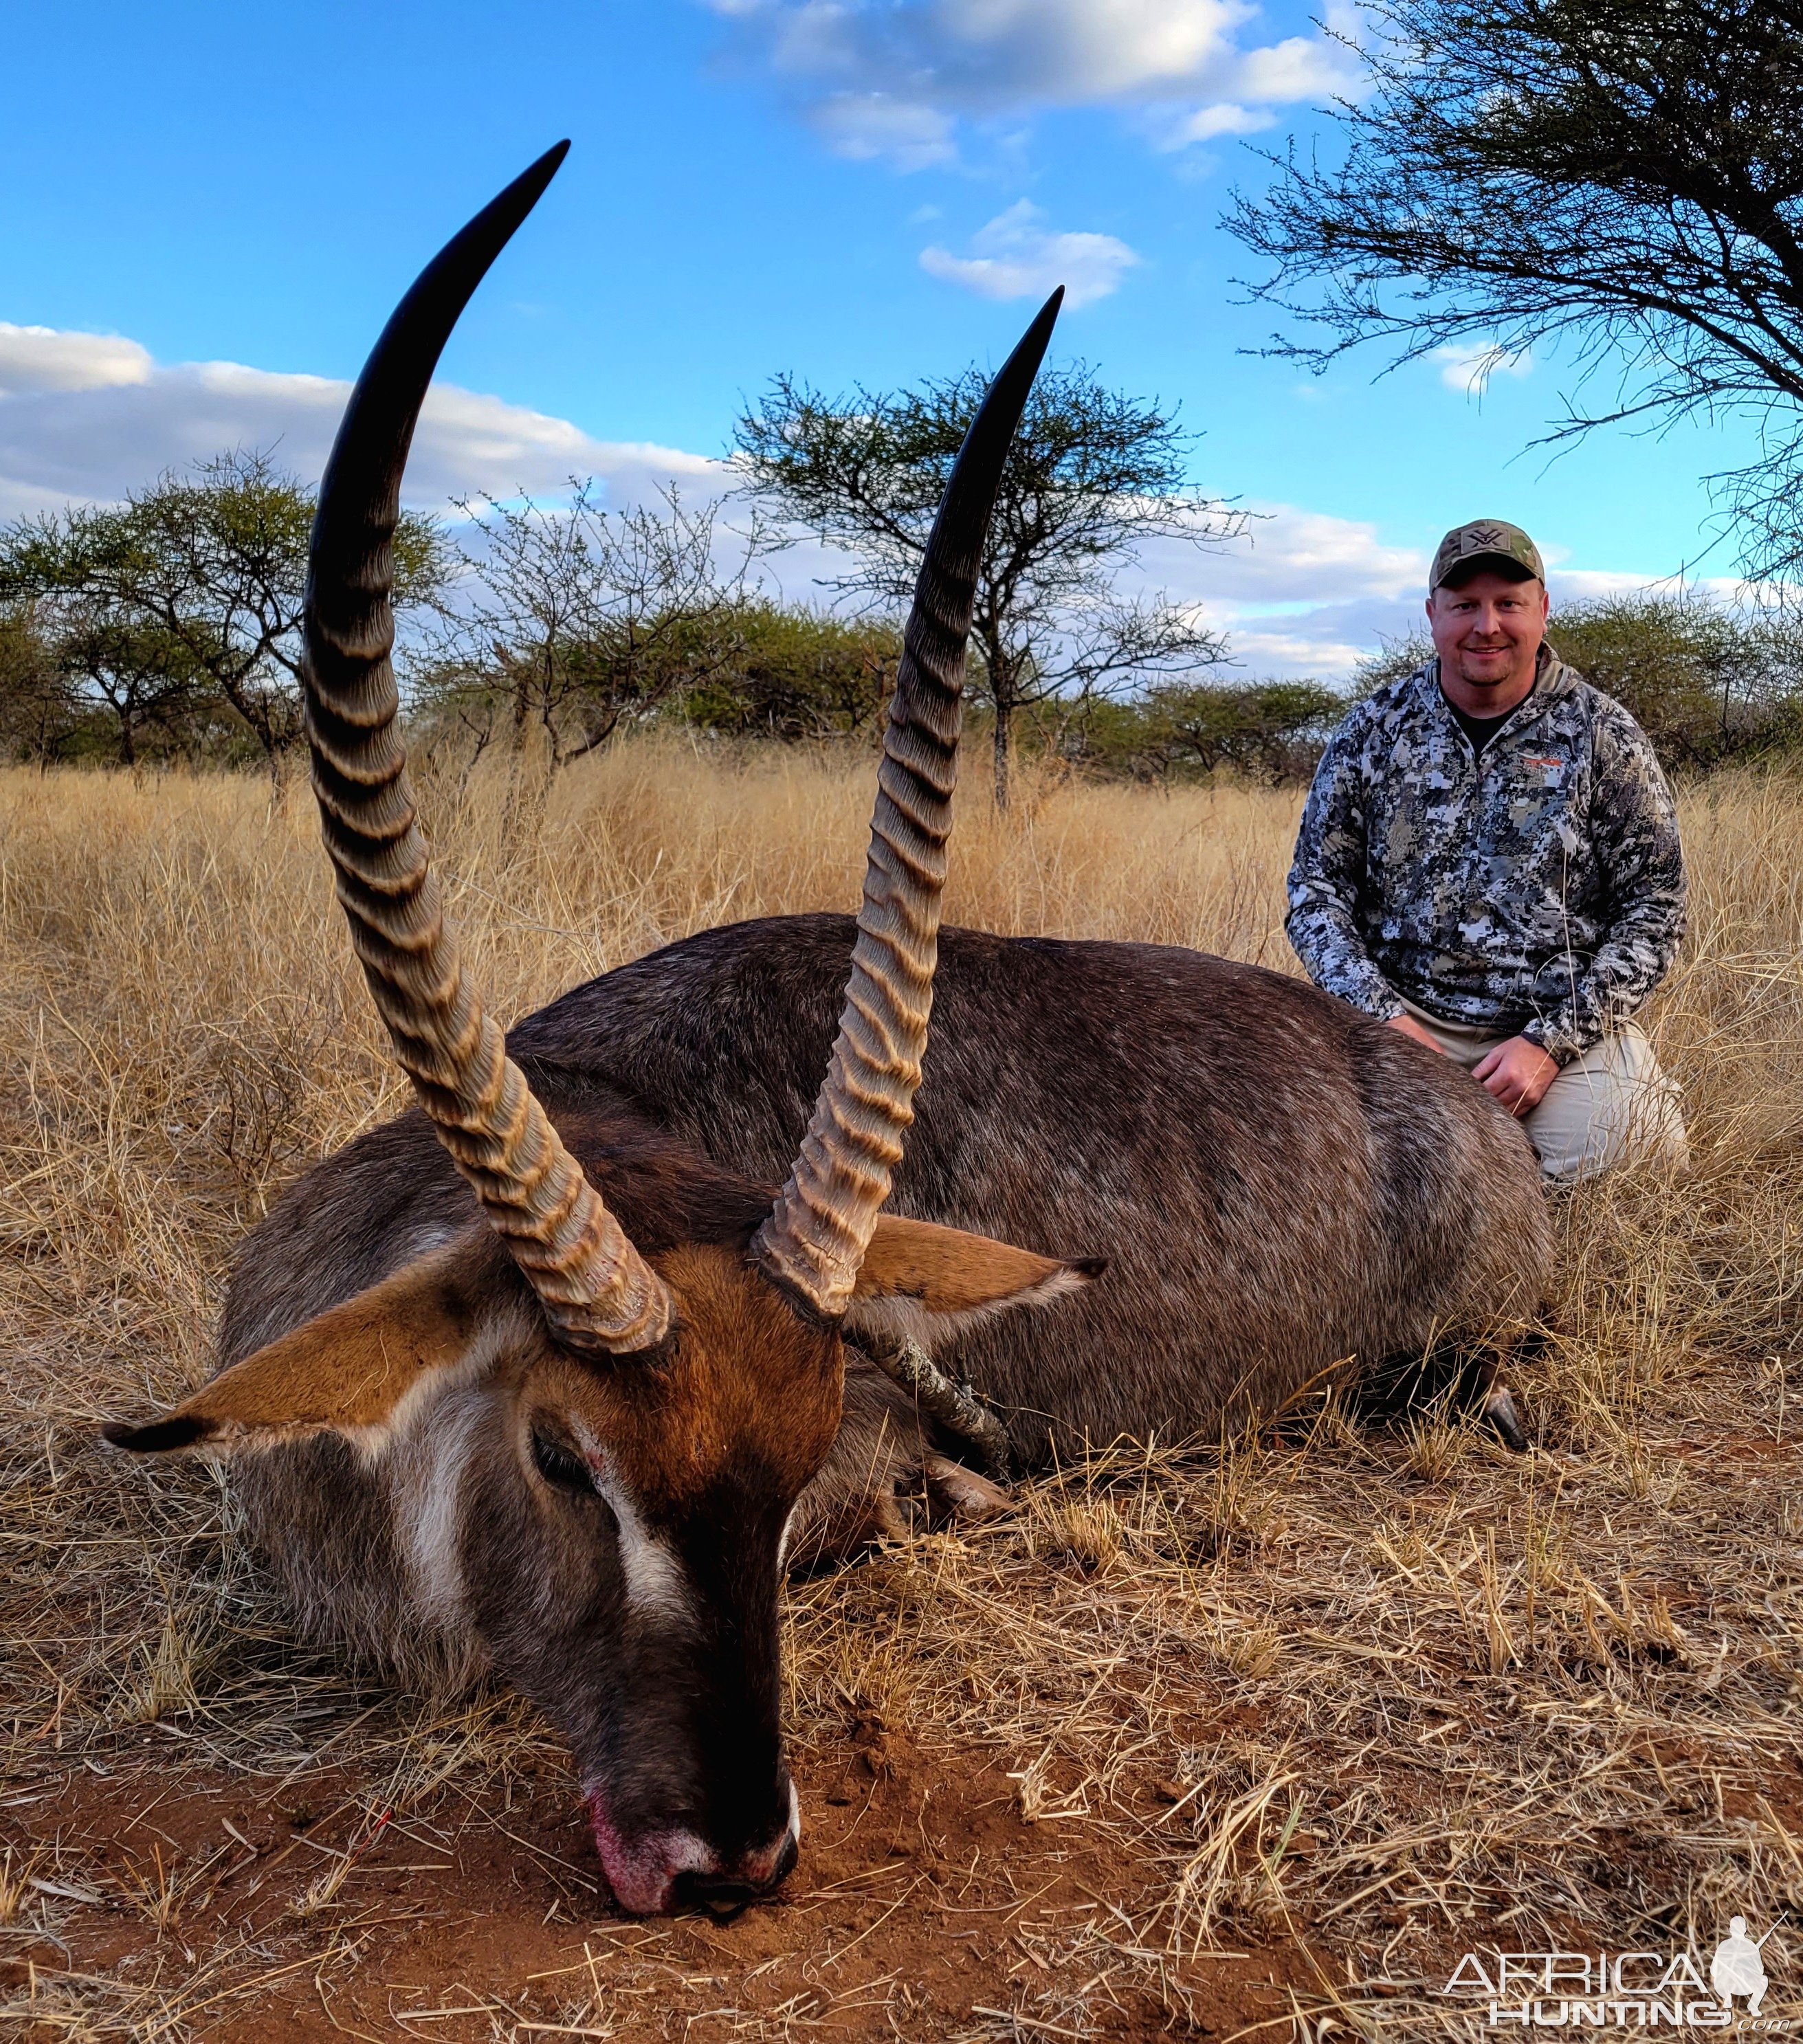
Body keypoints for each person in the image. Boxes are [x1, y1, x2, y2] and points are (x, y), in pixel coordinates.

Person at [1287, 518, 1688, 1185]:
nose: (1487, 626)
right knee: (1302, 1164)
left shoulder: (1602, 732)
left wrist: (1550, 1043)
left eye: (1508, 603)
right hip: (1395, 1018)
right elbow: (1314, 892)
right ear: (1431, 614)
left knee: (1637, 1157)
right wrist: (1383, 1019)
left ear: (1542, 609)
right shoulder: (1374, 727)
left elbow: (1654, 909)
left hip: (1553, 1028)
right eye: (1465, 605)